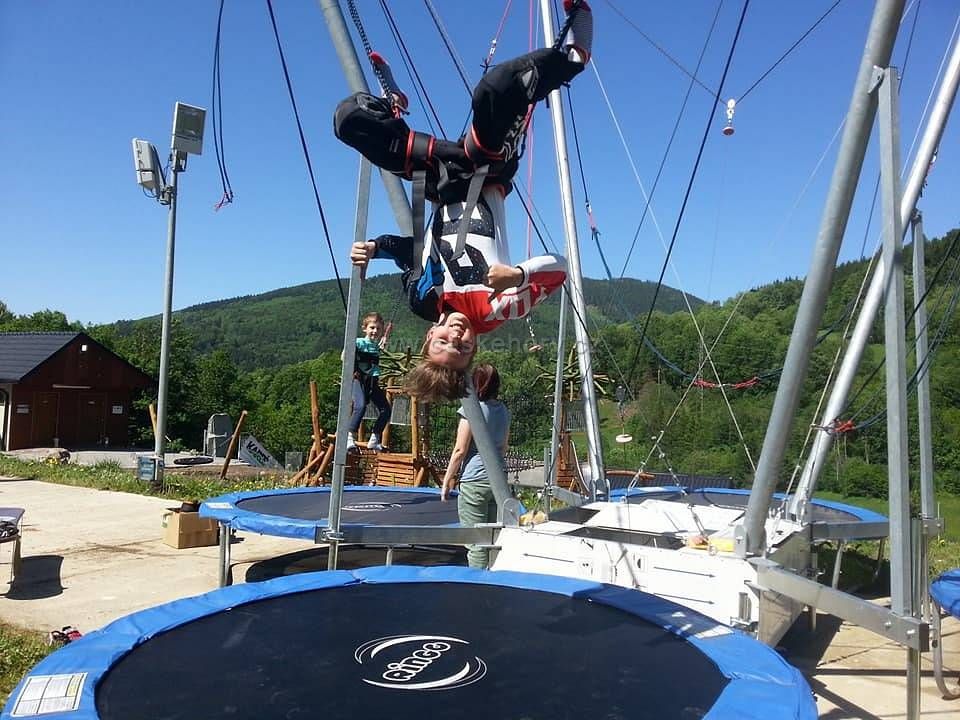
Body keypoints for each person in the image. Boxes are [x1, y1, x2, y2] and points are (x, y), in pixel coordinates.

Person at [341, 1, 593, 403]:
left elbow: (412, 252)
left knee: (349, 121)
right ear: (474, 348)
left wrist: (373, 248)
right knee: (494, 90)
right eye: (462, 347)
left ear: (430, 335)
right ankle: (574, 57)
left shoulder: (423, 299)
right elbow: (561, 269)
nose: (456, 336)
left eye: (444, 342)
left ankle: (392, 106)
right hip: (485, 170)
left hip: (438, 179)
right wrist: (519, 275)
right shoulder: (499, 309)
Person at [440, 364, 510, 569]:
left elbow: (460, 450)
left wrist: (447, 479)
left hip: (475, 481)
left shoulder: (472, 410)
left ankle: (478, 581)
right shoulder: (503, 410)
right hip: (498, 480)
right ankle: (494, 577)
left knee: (476, 541)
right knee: (492, 538)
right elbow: (504, 446)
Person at [346, 312, 392, 451]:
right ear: (364, 328)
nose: (375, 331)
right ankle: (349, 436)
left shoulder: (377, 346)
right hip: (358, 380)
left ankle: (374, 438)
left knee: (386, 410)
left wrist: (386, 334)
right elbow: (344, 357)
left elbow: (381, 344)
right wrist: (351, 350)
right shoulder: (358, 342)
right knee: (360, 406)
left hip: (372, 382)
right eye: (372, 328)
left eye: (378, 328)